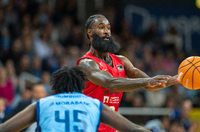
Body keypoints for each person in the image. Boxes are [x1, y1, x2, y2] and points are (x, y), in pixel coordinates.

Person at [76, 14, 180, 132]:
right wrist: (147, 81)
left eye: (108, 28)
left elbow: (150, 85)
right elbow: (111, 82)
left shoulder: (122, 61)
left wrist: (178, 79)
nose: (106, 32)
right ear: (90, 33)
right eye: (101, 27)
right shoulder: (86, 63)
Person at [0, 66, 151, 132]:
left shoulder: (43, 104)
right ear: (81, 86)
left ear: (56, 86)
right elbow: (132, 128)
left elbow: (5, 129)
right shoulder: (93, 104)